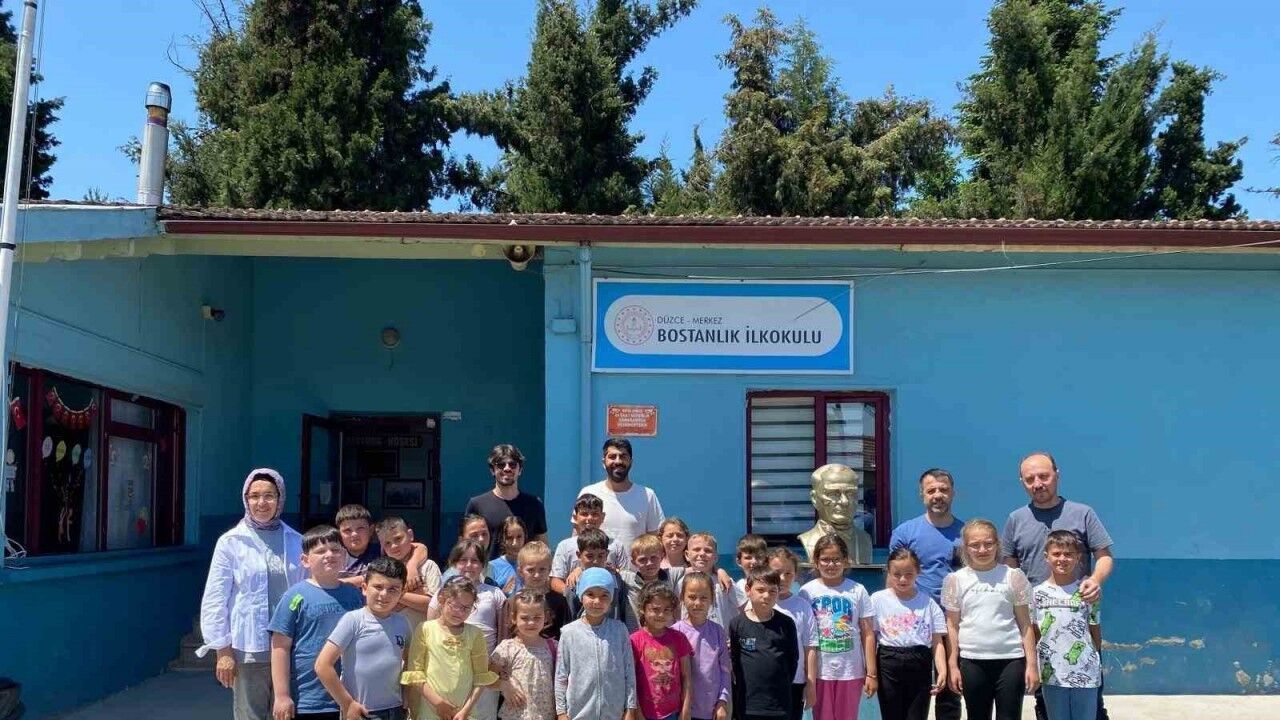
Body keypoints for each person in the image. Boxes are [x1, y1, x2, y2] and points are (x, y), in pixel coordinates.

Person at [1001, 452, 1113, 720]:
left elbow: (1105, 556)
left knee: (1092, 709)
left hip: (1078, 627)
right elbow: (1009, 568)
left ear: (1057, 475)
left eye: (1043, 476)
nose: (1037, 483)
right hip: (1039, 628)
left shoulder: (1083, 513)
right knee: (1046, 707)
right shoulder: (1015, 519)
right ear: (1022, 482)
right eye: (1030, 479)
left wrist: (1095, 580)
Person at [199, 468, 305, 720]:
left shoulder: (297, 541)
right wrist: (222, 651)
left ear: (280, 499)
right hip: (250, 648)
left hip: (291, 646)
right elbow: (215, 598)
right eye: (254, 496)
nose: (261, 503)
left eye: (269, 496)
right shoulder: (231, 542)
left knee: (288, 713)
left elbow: (309, 589)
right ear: (245, 499)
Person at [887, 468, 964, 720]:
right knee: (914, 695)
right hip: (914, 623)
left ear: (953, 493)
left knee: (950, 692)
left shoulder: (965, 534)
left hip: (954, 622)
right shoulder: (905, 533)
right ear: (922, 495)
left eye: (943, 489)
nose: (937, 495)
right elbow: (893, 577)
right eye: (931, 490)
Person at [942, 519, 1037, 720]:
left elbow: (1025, 624)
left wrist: (1031, 664)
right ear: (965, 548)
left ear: (997, 545)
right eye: (975, 545)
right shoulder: (956, 580)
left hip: (1011, 660)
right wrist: (952, 666)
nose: (982, 550)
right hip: (972, 661)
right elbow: (952, 626)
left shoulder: (1013, 577)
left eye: (988, 543)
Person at [269, 524, 365, 720]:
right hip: (309, 701)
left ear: (344, 556)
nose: (329, 555)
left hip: (351, 698)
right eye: (321, 551)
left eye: (335, 550)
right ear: (305, 560)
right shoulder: (295, 597)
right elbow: (280, 647)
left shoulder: (355, 596)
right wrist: (282, 695)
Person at [315, 556, 411, 720]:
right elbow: (322, 665)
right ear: (365, 588)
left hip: (396, 710)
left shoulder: (402, 623)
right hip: (361, 711)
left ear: (402, 593)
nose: (384, 594)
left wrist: (407, 696)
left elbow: (409, 663)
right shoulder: (353, 620)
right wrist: (347, 703)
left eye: (393, 589)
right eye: (378, 587)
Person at [428, 539, 508, 720]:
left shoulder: (494, 593)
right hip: (449, 669)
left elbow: (504, 634)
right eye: (463, 560)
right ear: (454, 563)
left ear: (483, 565)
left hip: (484, 671)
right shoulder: (442, 593)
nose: (469, 565)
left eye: (475, 561)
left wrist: (495, 666)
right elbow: (431, 630)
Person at [798, 533, 875, 720]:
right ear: (816, 562)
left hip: (851, 670)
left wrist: (871, 673)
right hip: (820, 672)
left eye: (836, 559)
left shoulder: (858, 590)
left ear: (846, 561)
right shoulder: (806, 592)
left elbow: (868, 634)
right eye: (825, 559)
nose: (831, 565)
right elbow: (803, 636)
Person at [401, 576, 500, 720]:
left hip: (463, 713)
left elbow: (481, 677)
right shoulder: (425, 629)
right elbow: (415, 673)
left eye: (466, 608)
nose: (459, 612)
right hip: (429, 710)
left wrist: (465, 711)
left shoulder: (475, 634)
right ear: (441, 600)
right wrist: (438, 703)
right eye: (454, 605)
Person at [868, 548, 947, 720]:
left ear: (918, 572)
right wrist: (871, 673)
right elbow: (870, 638)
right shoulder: (877, 600)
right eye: (897, 574)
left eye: (909, 574)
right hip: (888, 662)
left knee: (917, 715)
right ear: (888, 572)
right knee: (891, 714)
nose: (903, 579)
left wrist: (941, 670)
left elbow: (937, 641)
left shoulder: (928, 603)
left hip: (919, 661)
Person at [1032, 531, 1102, 720]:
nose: (1062, 559)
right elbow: (1034, 633)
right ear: (1046, 557)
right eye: (1056, 554)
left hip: (1086, 673)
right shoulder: (1036, 594)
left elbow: (1095, 631)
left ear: (1078, 557)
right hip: (1052, 674)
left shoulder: (1088, 592)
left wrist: (1090, 659)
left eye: (1068, 554)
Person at [554, 567, 639, 720]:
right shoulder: (569, 633)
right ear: (581, 596)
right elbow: (561, 675)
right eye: (590, 594)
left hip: (614, 714)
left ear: (611, 599)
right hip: (578, 714)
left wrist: (630, 708)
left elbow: (629, 671)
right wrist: (561, 712)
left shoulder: (619, 630)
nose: (597, 601)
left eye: (604, 595)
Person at [730, 568, 799, 720]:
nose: (766, 596)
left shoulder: (786, 624)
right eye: (760, 590)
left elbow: (792, 660)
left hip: (779, 705)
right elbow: (735, 661)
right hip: (747, 704)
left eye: (772, 591)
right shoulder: (737, 624)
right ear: (748, 590)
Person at [578, 438, 666, 555]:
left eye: (623, 456)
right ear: (603, 462)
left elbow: (655, 538)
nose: (618, 461)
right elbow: (578, 535)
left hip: (635, 567)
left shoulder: (647, 495)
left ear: (631, 462)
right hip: (597, 566)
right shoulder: (589, 492)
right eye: (612, 457)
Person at [464, 444, 549, 561]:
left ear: (520, 470)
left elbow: (542, 546)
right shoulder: (477, 505)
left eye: (512, 464)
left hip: (524, 571)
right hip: (487, 571)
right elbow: (464, 545)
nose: (507, 468)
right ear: (492, 470)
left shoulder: (534, 504)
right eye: (501, 465)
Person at [490, 589, 558, 720]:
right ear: (514, 618)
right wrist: (504, 685)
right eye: (525, 618)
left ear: (546, 617)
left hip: (546, 715)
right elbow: (488, 678)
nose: (531, 623)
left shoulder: (554, 647)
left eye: (537, 617)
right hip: (515, 715)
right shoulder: (507, 648)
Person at [767, 548, 818, 720]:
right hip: (765, 682)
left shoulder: (802, 606)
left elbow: (810, 648)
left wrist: (810, 684)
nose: (782, 578)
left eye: (788, 573)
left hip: (795, 681)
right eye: (776, 572)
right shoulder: (759, 603)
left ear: (795, 575)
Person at [631, 583, 694, 720]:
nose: (661, 614)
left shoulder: (679, 638)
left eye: (667, 610)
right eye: (655, 609)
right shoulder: (634, 641)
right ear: (642, 609)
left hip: (674, 713)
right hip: (645, 714)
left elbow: (687, 676)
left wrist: (686, 709)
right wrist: (638, 713)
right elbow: (631, 681)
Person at [673, 573, 731, 720]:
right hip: (682, 711)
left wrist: (722, 701)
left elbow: (725, 670)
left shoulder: (718, 631)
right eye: (692, 597)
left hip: (712, 710)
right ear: (682, 597)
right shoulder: (675, 632)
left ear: (712, 599)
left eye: (704, 598)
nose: (697, 603)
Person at [797, 465, 872, 567]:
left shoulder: (865, 539)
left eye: (850, 494)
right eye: (833, 494)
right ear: (814, 499)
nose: (844, 501)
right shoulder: (808, 540)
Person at [551, 494, 627, 594]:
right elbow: (555, 581)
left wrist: (609, 570)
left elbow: (625, 577)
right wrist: (572, 595)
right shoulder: (565, 546)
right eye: (584, 514)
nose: (590, 518)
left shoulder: (616, 545)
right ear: (575, 517)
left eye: (595, 514)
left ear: (602, 517)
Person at [377, 516, 442, 630]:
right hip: (391, 634)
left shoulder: (428, 566)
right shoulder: (380, 571)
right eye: (387, 543)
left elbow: (434, 605)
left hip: (422, 634)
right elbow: (378, 608)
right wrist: (414, 594)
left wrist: (394, 594)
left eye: (398, 539)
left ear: (410, 535)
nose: (394, 546)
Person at [564, 529, 627, 625]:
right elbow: (571, 617)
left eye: (600, 556)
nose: (595, 561)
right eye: (590, 556)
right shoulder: (574, 582)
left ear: (607, 554)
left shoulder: (616, 578)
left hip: (613, 631)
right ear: (579, 555)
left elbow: (622, 609)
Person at [682, 532, 740, 629]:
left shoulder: (725, 582)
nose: (702, 553)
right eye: (696, 549)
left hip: (721, 636)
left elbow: (744, 607)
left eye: (707, 550)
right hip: (687, 637)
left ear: (716, 557)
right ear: (687, 555)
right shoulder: (681, 582)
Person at [516, 541, 571, 641]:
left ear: (549, 569)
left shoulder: (559, 602)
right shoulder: (514, 601)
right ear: (520, 571)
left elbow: (565, 634)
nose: (537, 575)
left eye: (542, 569)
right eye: (531, 570)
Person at [490, 516, 528, 595]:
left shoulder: (534, 563)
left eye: (519, 537)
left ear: (525, 536)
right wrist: (503, 594)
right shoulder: (491, 567)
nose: (515, 543)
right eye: (509, 538)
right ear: (502, 539)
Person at [730, 534, 768, 609]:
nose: (754, 561)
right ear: (739, 561)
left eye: (758, 557)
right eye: (748, 558)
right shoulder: (739, 587)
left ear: (765, 560)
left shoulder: (773, 585)